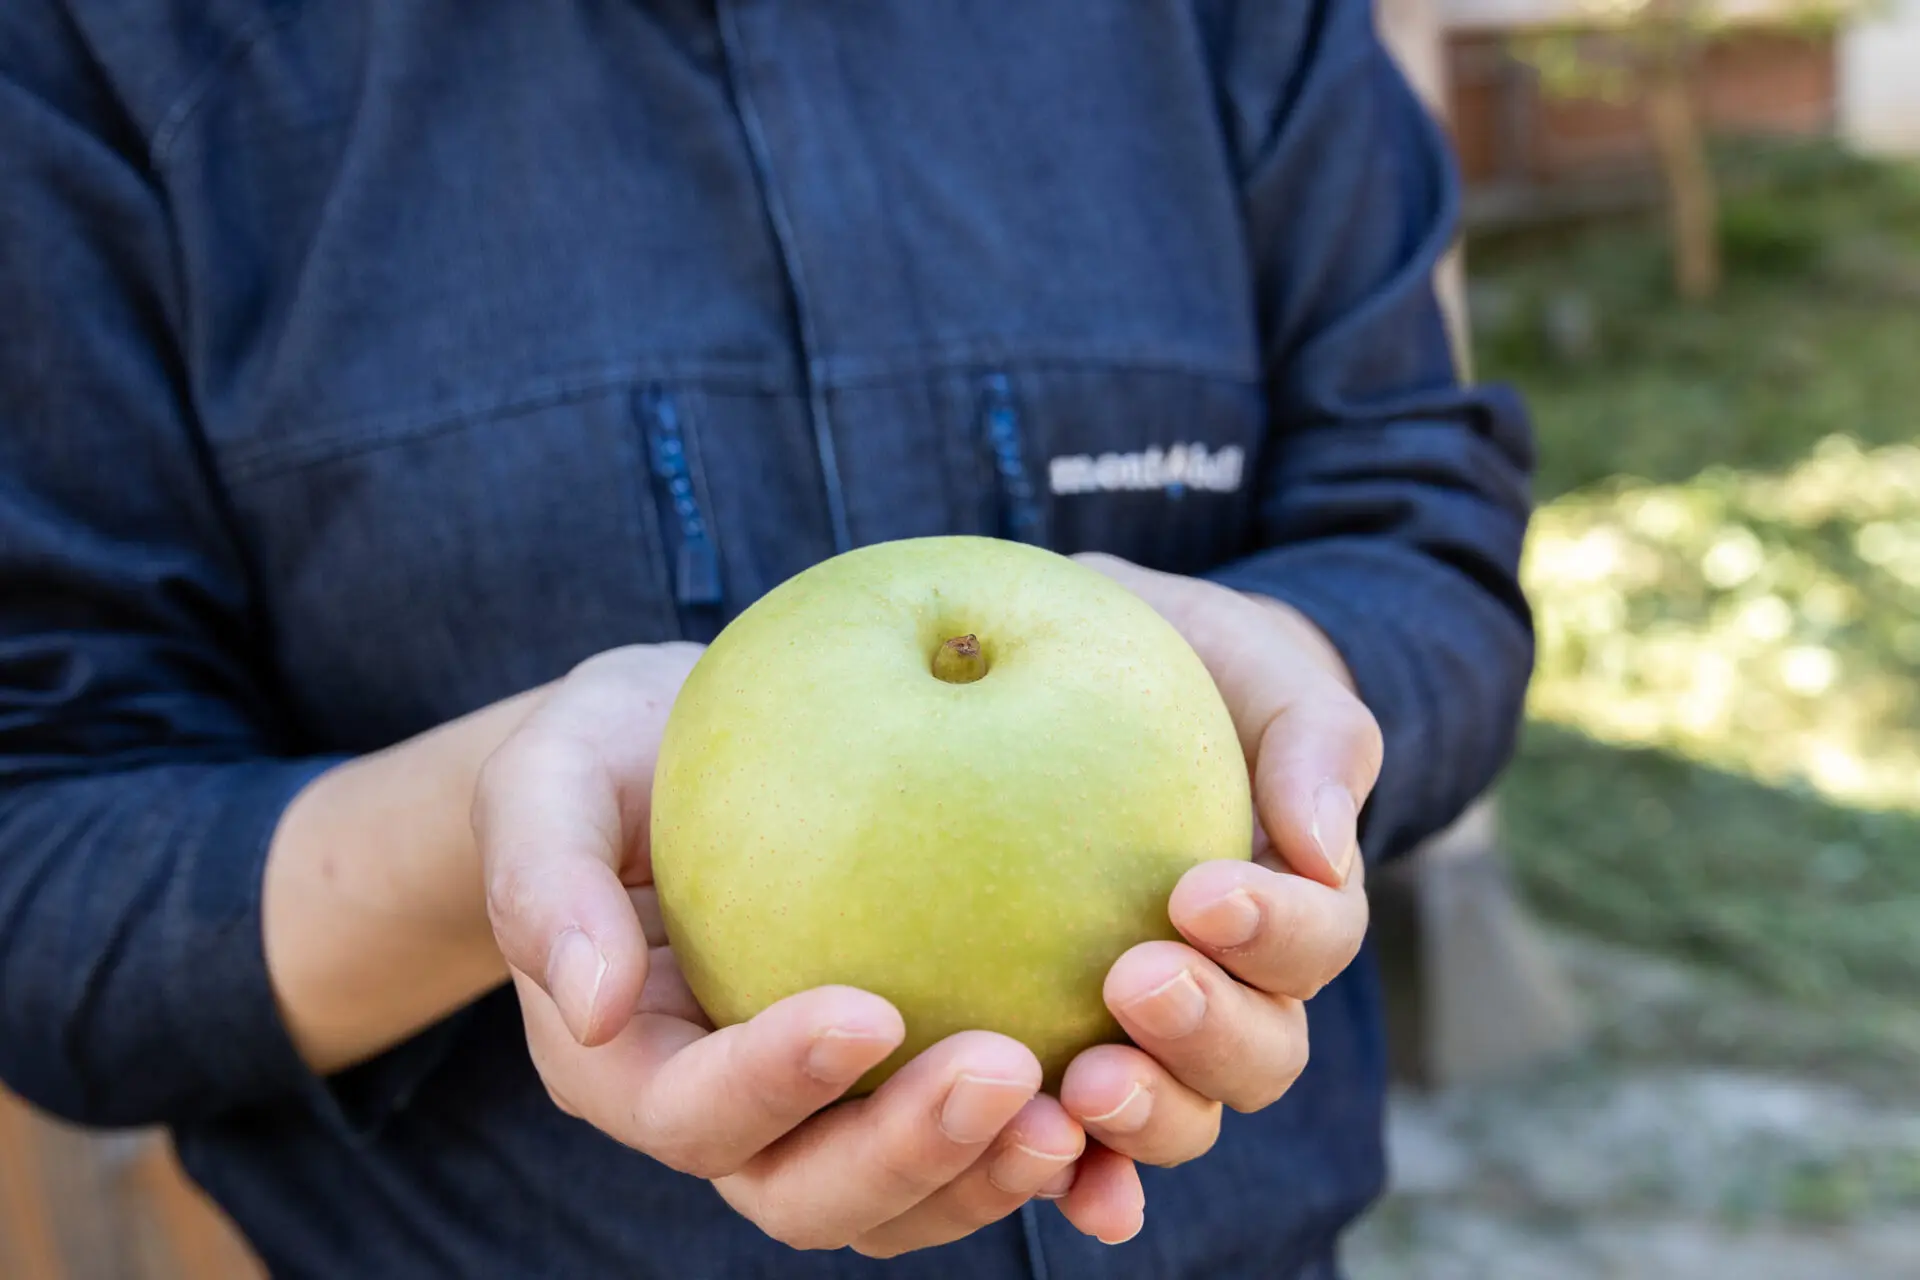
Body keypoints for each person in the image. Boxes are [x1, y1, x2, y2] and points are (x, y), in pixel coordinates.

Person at [0, 1, 1534, 1276]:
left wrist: (1295, 681)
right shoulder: (112, 46)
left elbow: (1419, 533)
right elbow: (49, 864)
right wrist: (525, 845)